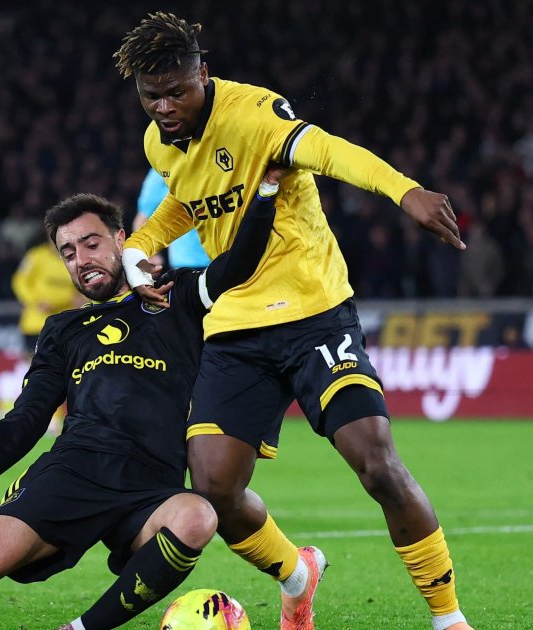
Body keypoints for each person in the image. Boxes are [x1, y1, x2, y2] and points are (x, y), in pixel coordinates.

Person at [114, 13, 472, 630]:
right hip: (234, 323)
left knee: (377, 464)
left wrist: (405, 191)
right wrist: (141, 242)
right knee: (214, 489)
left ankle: (449, 618)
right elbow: (187, 201)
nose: (165, 107)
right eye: (152, 96)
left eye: (177, 92)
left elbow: (329, 151)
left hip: (314, 314)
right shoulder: (158, 141)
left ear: (204, 74)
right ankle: (298, 575)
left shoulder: (257, 115)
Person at [0, 168, 286, 630]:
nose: (81, 259)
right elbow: (30, 414)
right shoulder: (64, 329)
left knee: (198, 516)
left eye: (91, 244)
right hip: (74, 471)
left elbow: (240, 262)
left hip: (152, 484)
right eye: (68, 252)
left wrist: (267, 190)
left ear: (121, 239)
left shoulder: (176, 296)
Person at [0, 239, 84, 431]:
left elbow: (81, 289)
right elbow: (19, 281)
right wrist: (35, 301)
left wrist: (77, 298)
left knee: (64, 371)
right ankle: (21, 412)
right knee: (33, 371)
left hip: (64, 323)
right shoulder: (36, 256)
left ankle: (54, 415)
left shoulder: (76, 258)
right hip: (35, 323)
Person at [133, 168, 211, 269]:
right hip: (187, 264)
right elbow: (143, 218)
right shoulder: (161, 171)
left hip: (225, 258)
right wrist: (150, 255)